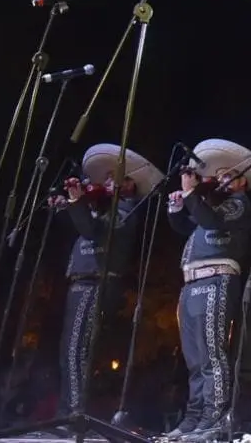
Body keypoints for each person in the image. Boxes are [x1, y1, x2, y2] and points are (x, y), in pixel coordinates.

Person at [166, 139, 251, 440]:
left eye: (226, 175)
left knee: (212, 356)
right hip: (192, 283)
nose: (218, 180)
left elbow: (210, 220)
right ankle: (194, 416)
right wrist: (178, 205)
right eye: (216, 175)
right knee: (194, 360)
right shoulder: (210, 206)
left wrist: (194, 194)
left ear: (241, 181)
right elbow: (185, 225)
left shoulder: (238, 204)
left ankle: (215, 417)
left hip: (217, 281)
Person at [52, 144, 159, 415]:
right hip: (81, 281)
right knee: (69, 350)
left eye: (116, 178)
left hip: (97, 282)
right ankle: (66, 410)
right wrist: (66, 207)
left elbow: (92, 231)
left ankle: (74, 412)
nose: (108, 182)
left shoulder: (126, 210)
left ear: (130, 185)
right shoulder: (99, 206)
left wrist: (77, 203)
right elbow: (80, 225)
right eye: (107, 177)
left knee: (77, 349)